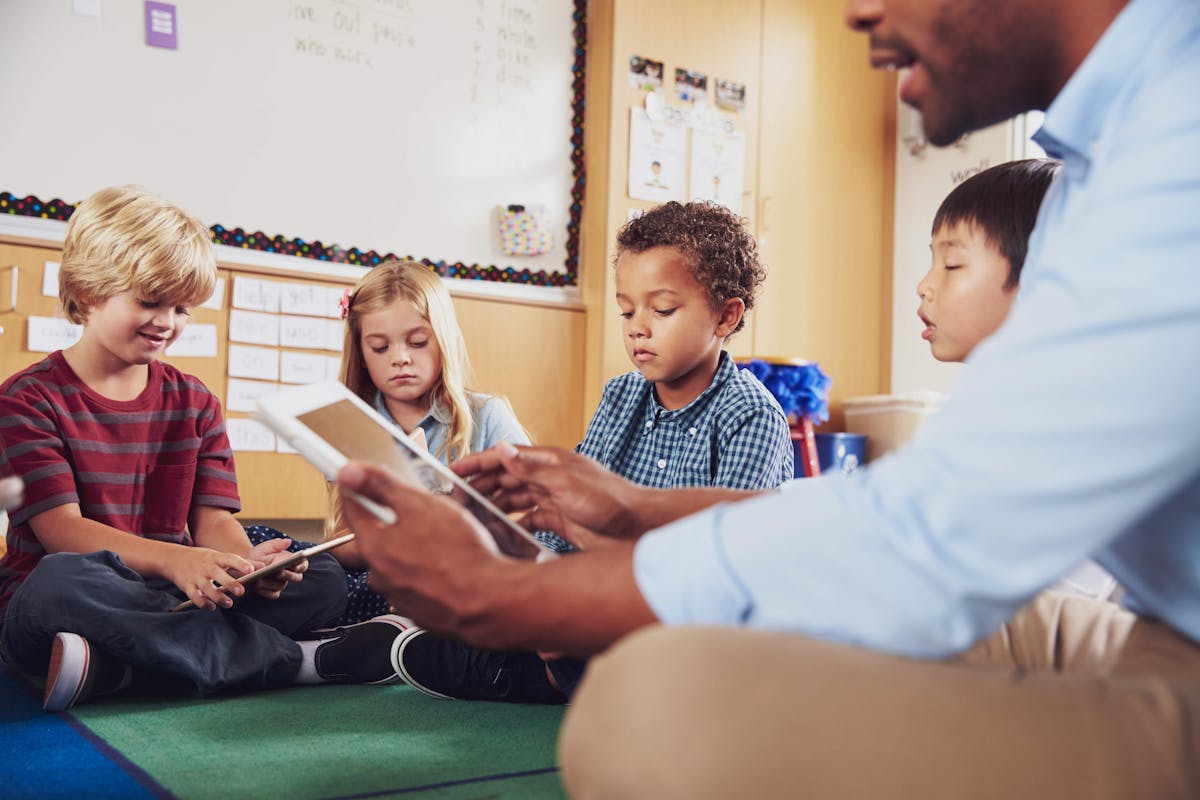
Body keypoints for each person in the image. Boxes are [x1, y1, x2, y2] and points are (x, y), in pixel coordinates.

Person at [337, 0, 1200, 796]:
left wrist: (501, 598)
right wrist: (633, 508)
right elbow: (868, 515)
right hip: (1144, 628)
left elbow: (924, 542)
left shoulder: (1175, 147)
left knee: (649, 715)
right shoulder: (1116, 147)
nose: (859, 11)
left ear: (726, 316)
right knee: (751, 628)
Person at [0, 185, 408, 712]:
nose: (167, 322)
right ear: (87, 290)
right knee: (60, 582)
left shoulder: (194, 401)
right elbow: (62, 534)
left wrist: (247, 564)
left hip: (174, 596)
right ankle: (301, 662)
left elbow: (213, 523)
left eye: (182, 308)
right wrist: (180, 563)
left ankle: (120, 669)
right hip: (69, 597)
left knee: (322, 577)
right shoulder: (26, 398)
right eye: (149, 301)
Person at [390, 201, 793, 703]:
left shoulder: (750, 415)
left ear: (726, 316)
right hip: (596, 600)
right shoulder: (620, 396)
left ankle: (544, 670)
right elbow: (564, 520)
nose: (637, 327)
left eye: (662, 310)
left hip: (680, 619)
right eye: (627, 311)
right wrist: (542, 582)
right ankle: (546, 654)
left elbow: (728, 565)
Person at [248, 257, 530, 625]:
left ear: (443, 341)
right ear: (362, 356)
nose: (400, 358)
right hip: (381, 575)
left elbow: (530, 515)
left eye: (417, 342)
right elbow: (345, 541)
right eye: (380, 348)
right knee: (271, 547)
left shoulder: (487, 415)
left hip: (470, 571)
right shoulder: (348, 423)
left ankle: (356, 640)